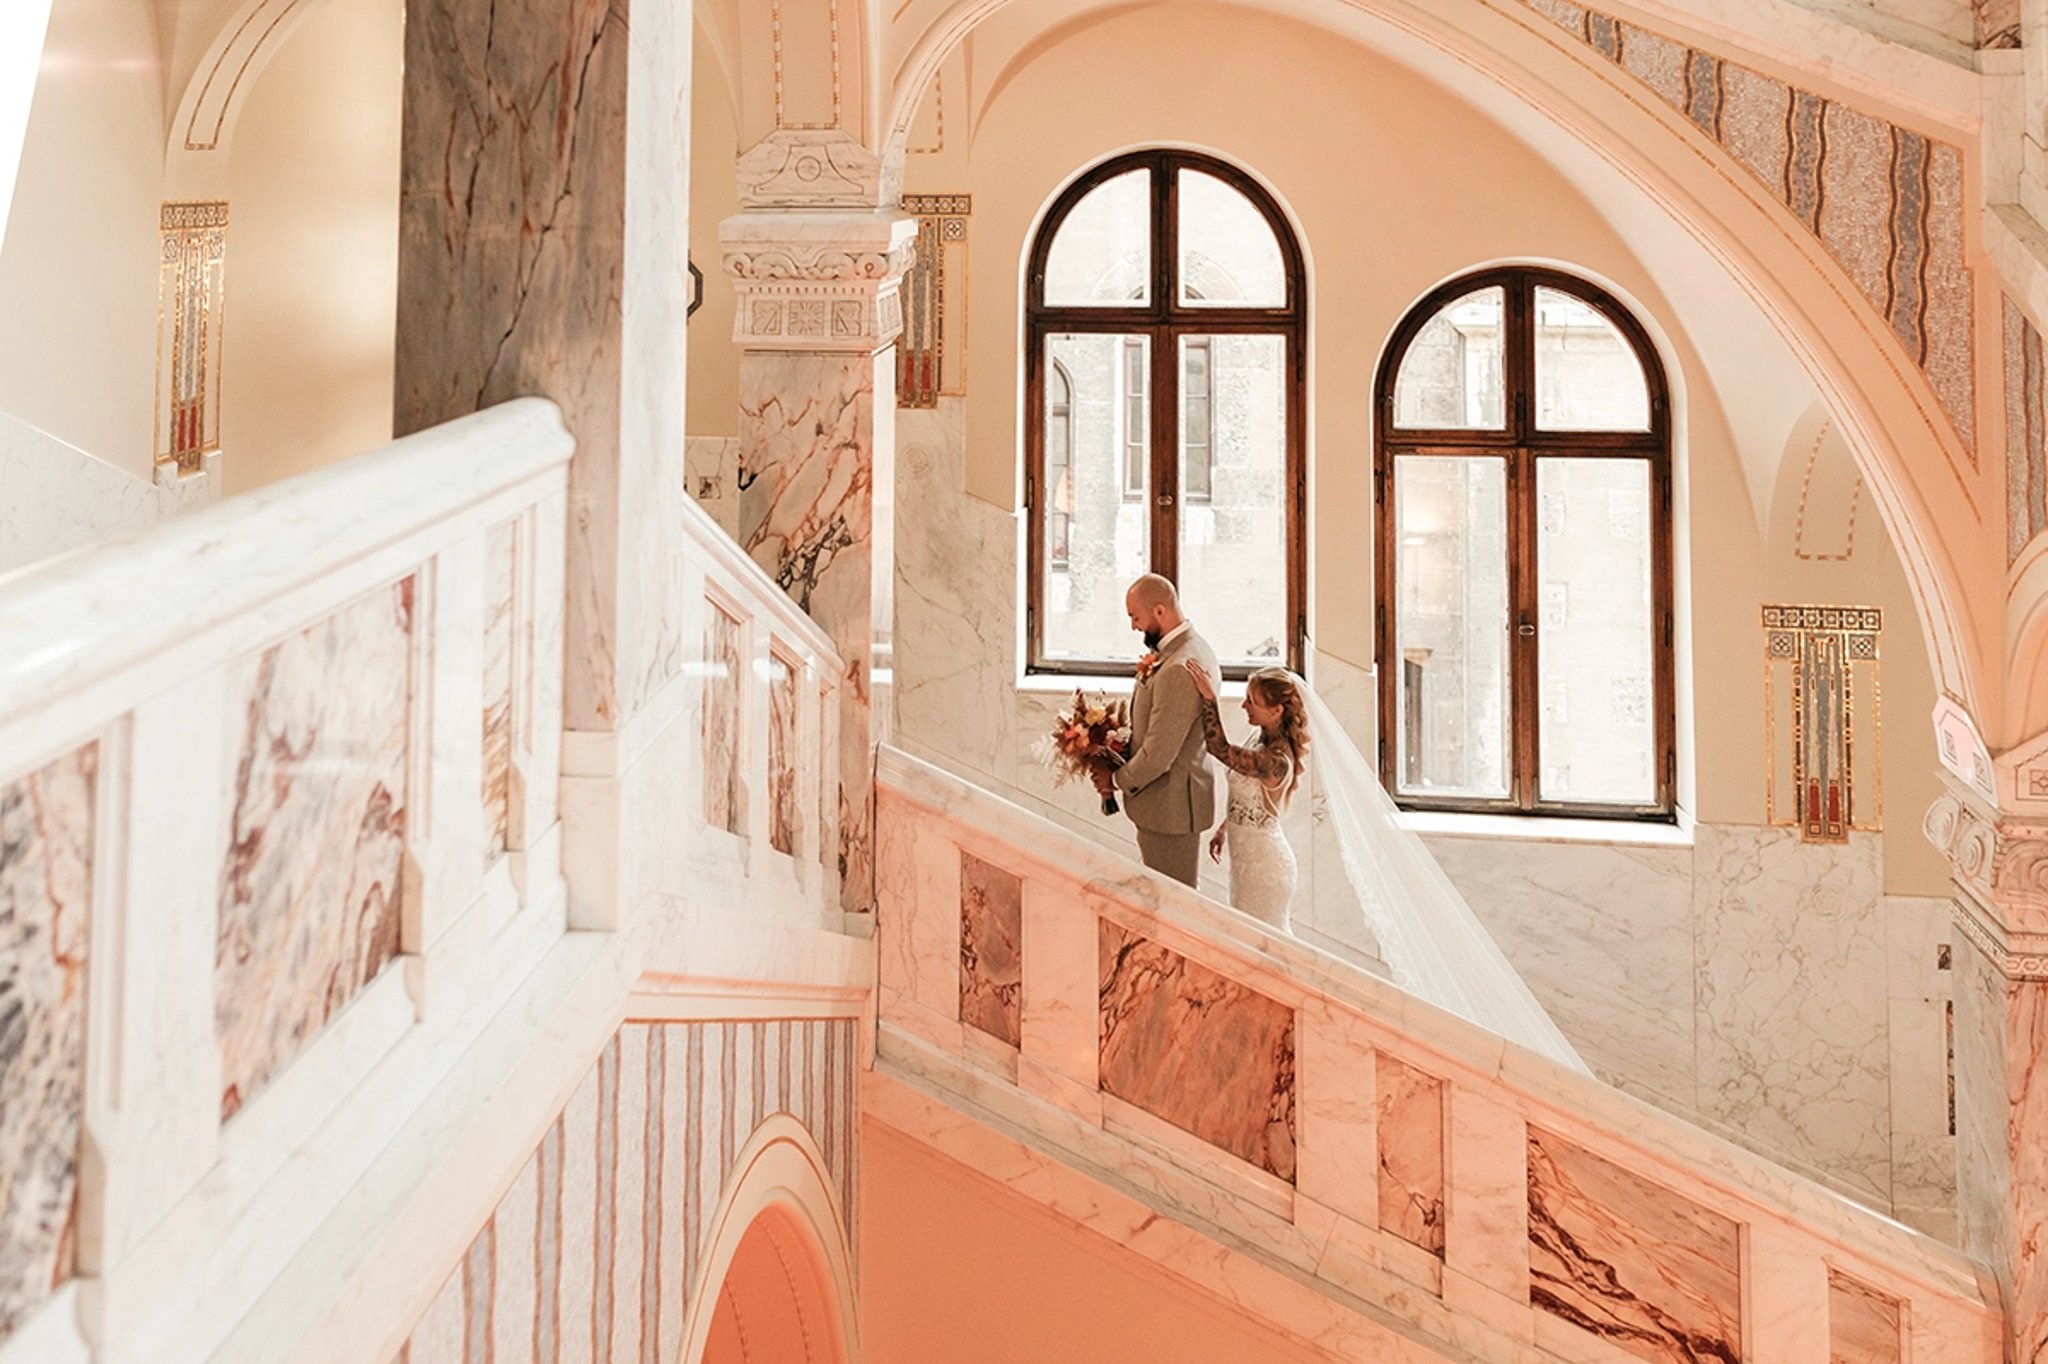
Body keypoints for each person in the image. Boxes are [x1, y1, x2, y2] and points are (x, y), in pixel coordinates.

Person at [1091, 574, 1218, 886]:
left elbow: (1159, 755)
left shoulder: (1179, 666)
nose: (1134, 626)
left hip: (1171, 810)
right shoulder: (1182, 649)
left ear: (1160, 610)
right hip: (1165, 807)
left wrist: (1114, 780)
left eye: (1136, 617)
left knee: (1171, 903)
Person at [1184, 661, 1309, 929]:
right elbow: (1251, 797)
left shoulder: (1275, 761)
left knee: (1265, 939)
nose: (1244, 705)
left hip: (1265, 870)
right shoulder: (1258, 738)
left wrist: (1209, 698)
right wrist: (1225, 827)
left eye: (1252, 701)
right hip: (1245, 864)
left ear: (1276, 711)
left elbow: (1219, 748)